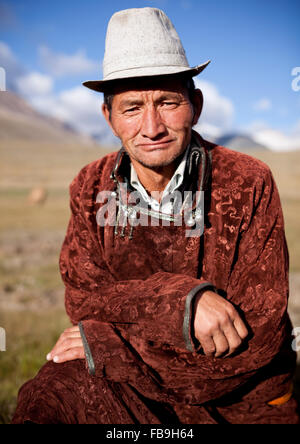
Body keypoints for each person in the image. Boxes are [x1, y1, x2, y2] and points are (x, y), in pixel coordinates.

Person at [12, 7, 299, 424]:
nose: (152, 126)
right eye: (132, 108)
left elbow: (259, 333)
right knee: (51, 394)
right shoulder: (90, 186)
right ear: (108, 117)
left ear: (195, 105)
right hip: (130, 388)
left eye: (167, 102)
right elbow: (84, 299)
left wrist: (111, 342)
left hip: (239, 401)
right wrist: (182, 303)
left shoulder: (248, 182)